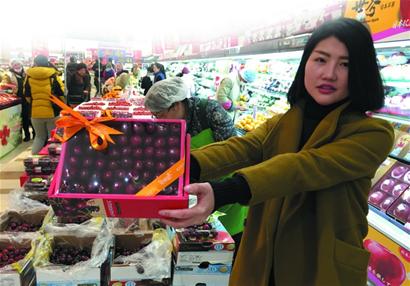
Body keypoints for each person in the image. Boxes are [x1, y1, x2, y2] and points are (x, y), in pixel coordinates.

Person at [158, 18, 395, 286]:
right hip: (265, 255)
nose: (329, 73)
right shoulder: (285, 121)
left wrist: (222, 192)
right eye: (320, 60)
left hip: (320, 262)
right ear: (306, 63)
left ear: (361, 72)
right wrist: (179, 165)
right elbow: (242, 147)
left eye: (345, 64)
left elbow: (304, 167)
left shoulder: (374, 133)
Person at [145, 78, 247, 254]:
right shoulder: (168, 126)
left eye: (160, 114)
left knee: (226, 246)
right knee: (196, 247)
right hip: (193, 194)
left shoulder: (210, 111)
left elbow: (234, 153)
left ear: (175, 105)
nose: (158, 120)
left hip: (225, 190)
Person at [24, 55, 65, 155]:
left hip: (35, 112)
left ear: (35, 63)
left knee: (39, 137)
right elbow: (61, 92)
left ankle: (34, 161)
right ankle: (51, 161)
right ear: (47, 63)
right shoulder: (53, 75)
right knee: (52, 138)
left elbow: (26, 95)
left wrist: (35, 104)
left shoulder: (29, 76)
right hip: (52, 112)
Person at [9, 60, 34, 142]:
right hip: (19, 99)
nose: (17, 66)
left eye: (18, 64)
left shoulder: (27, 72)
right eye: (15, 65)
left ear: (21, 65)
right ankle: (27, 134)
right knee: (24, 118)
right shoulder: (10, 75)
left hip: (29, 98)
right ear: (12, 66)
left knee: (32, 116)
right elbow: (7, 85)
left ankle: (35, 133)